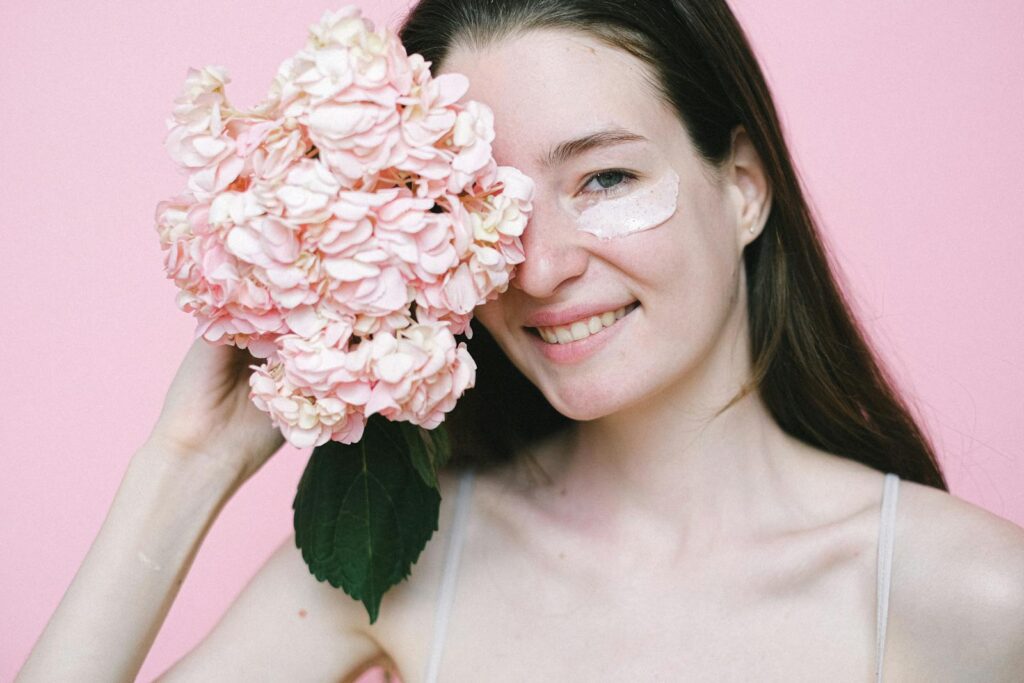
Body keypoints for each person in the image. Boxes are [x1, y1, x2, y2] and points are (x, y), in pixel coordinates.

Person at [18, 0, 1024, 681]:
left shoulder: (968, 593)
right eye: (481, 202)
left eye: (606, 179)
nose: (537, 268)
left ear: (743, 185)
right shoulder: (401, 562)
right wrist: (185, 463)